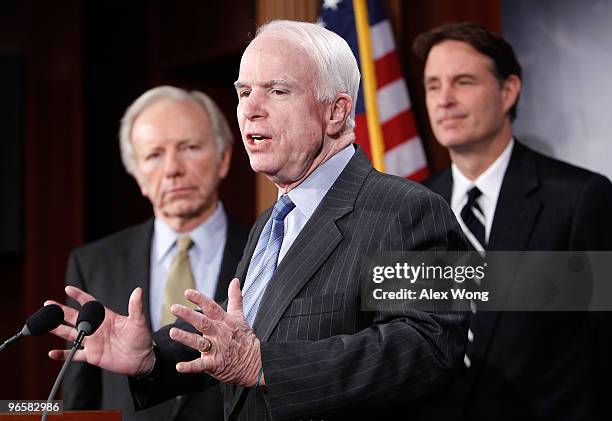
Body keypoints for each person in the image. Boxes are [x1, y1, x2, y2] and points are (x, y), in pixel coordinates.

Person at [49, 21, 468, 420]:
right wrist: (151, 360)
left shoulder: (406, 210)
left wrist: (267, 365)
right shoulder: (271, 224)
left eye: (277, 90)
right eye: (244, 91)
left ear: (336, 112)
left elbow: (426, 348)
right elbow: (235, 340)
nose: (250, 109)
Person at [414, 22, 612, 420]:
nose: (444, 100)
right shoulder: (411, 208)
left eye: (463, 82)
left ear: (508, 92)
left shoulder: (579, 199)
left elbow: (604, 351)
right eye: (433, 85)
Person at [62, 86, 250, 421]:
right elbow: (81, 403)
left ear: (223, 158)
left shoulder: (266, 251)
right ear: (137, 176)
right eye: (153, 155)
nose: (173, 169)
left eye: (189, 148)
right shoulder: (92, 264)